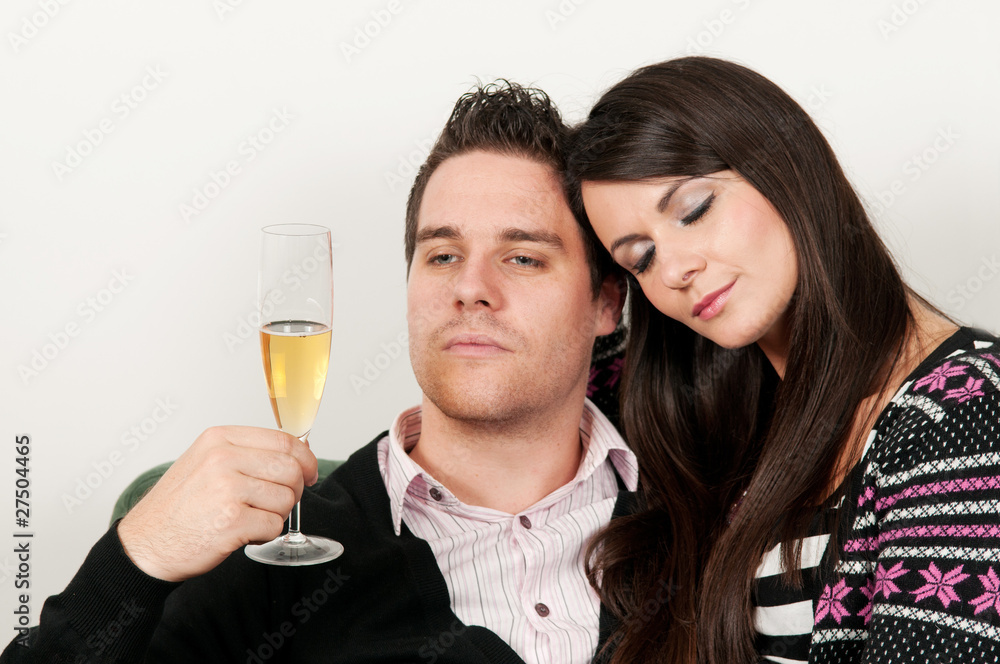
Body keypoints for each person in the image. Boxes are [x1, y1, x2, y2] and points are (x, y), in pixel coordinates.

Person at [2, 81, 634, 664]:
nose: (470, 287)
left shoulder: (709, 518)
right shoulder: (269, 559)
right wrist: (134, 558)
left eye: (522, 257)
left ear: (607, 300)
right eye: (441, 255)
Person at [567, 56, 1000, 664]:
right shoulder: (730, 409)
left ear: (784, 166)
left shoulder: (967, 414)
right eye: (640, 258)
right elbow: (538, 369)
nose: (673, 270)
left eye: (693, 209)